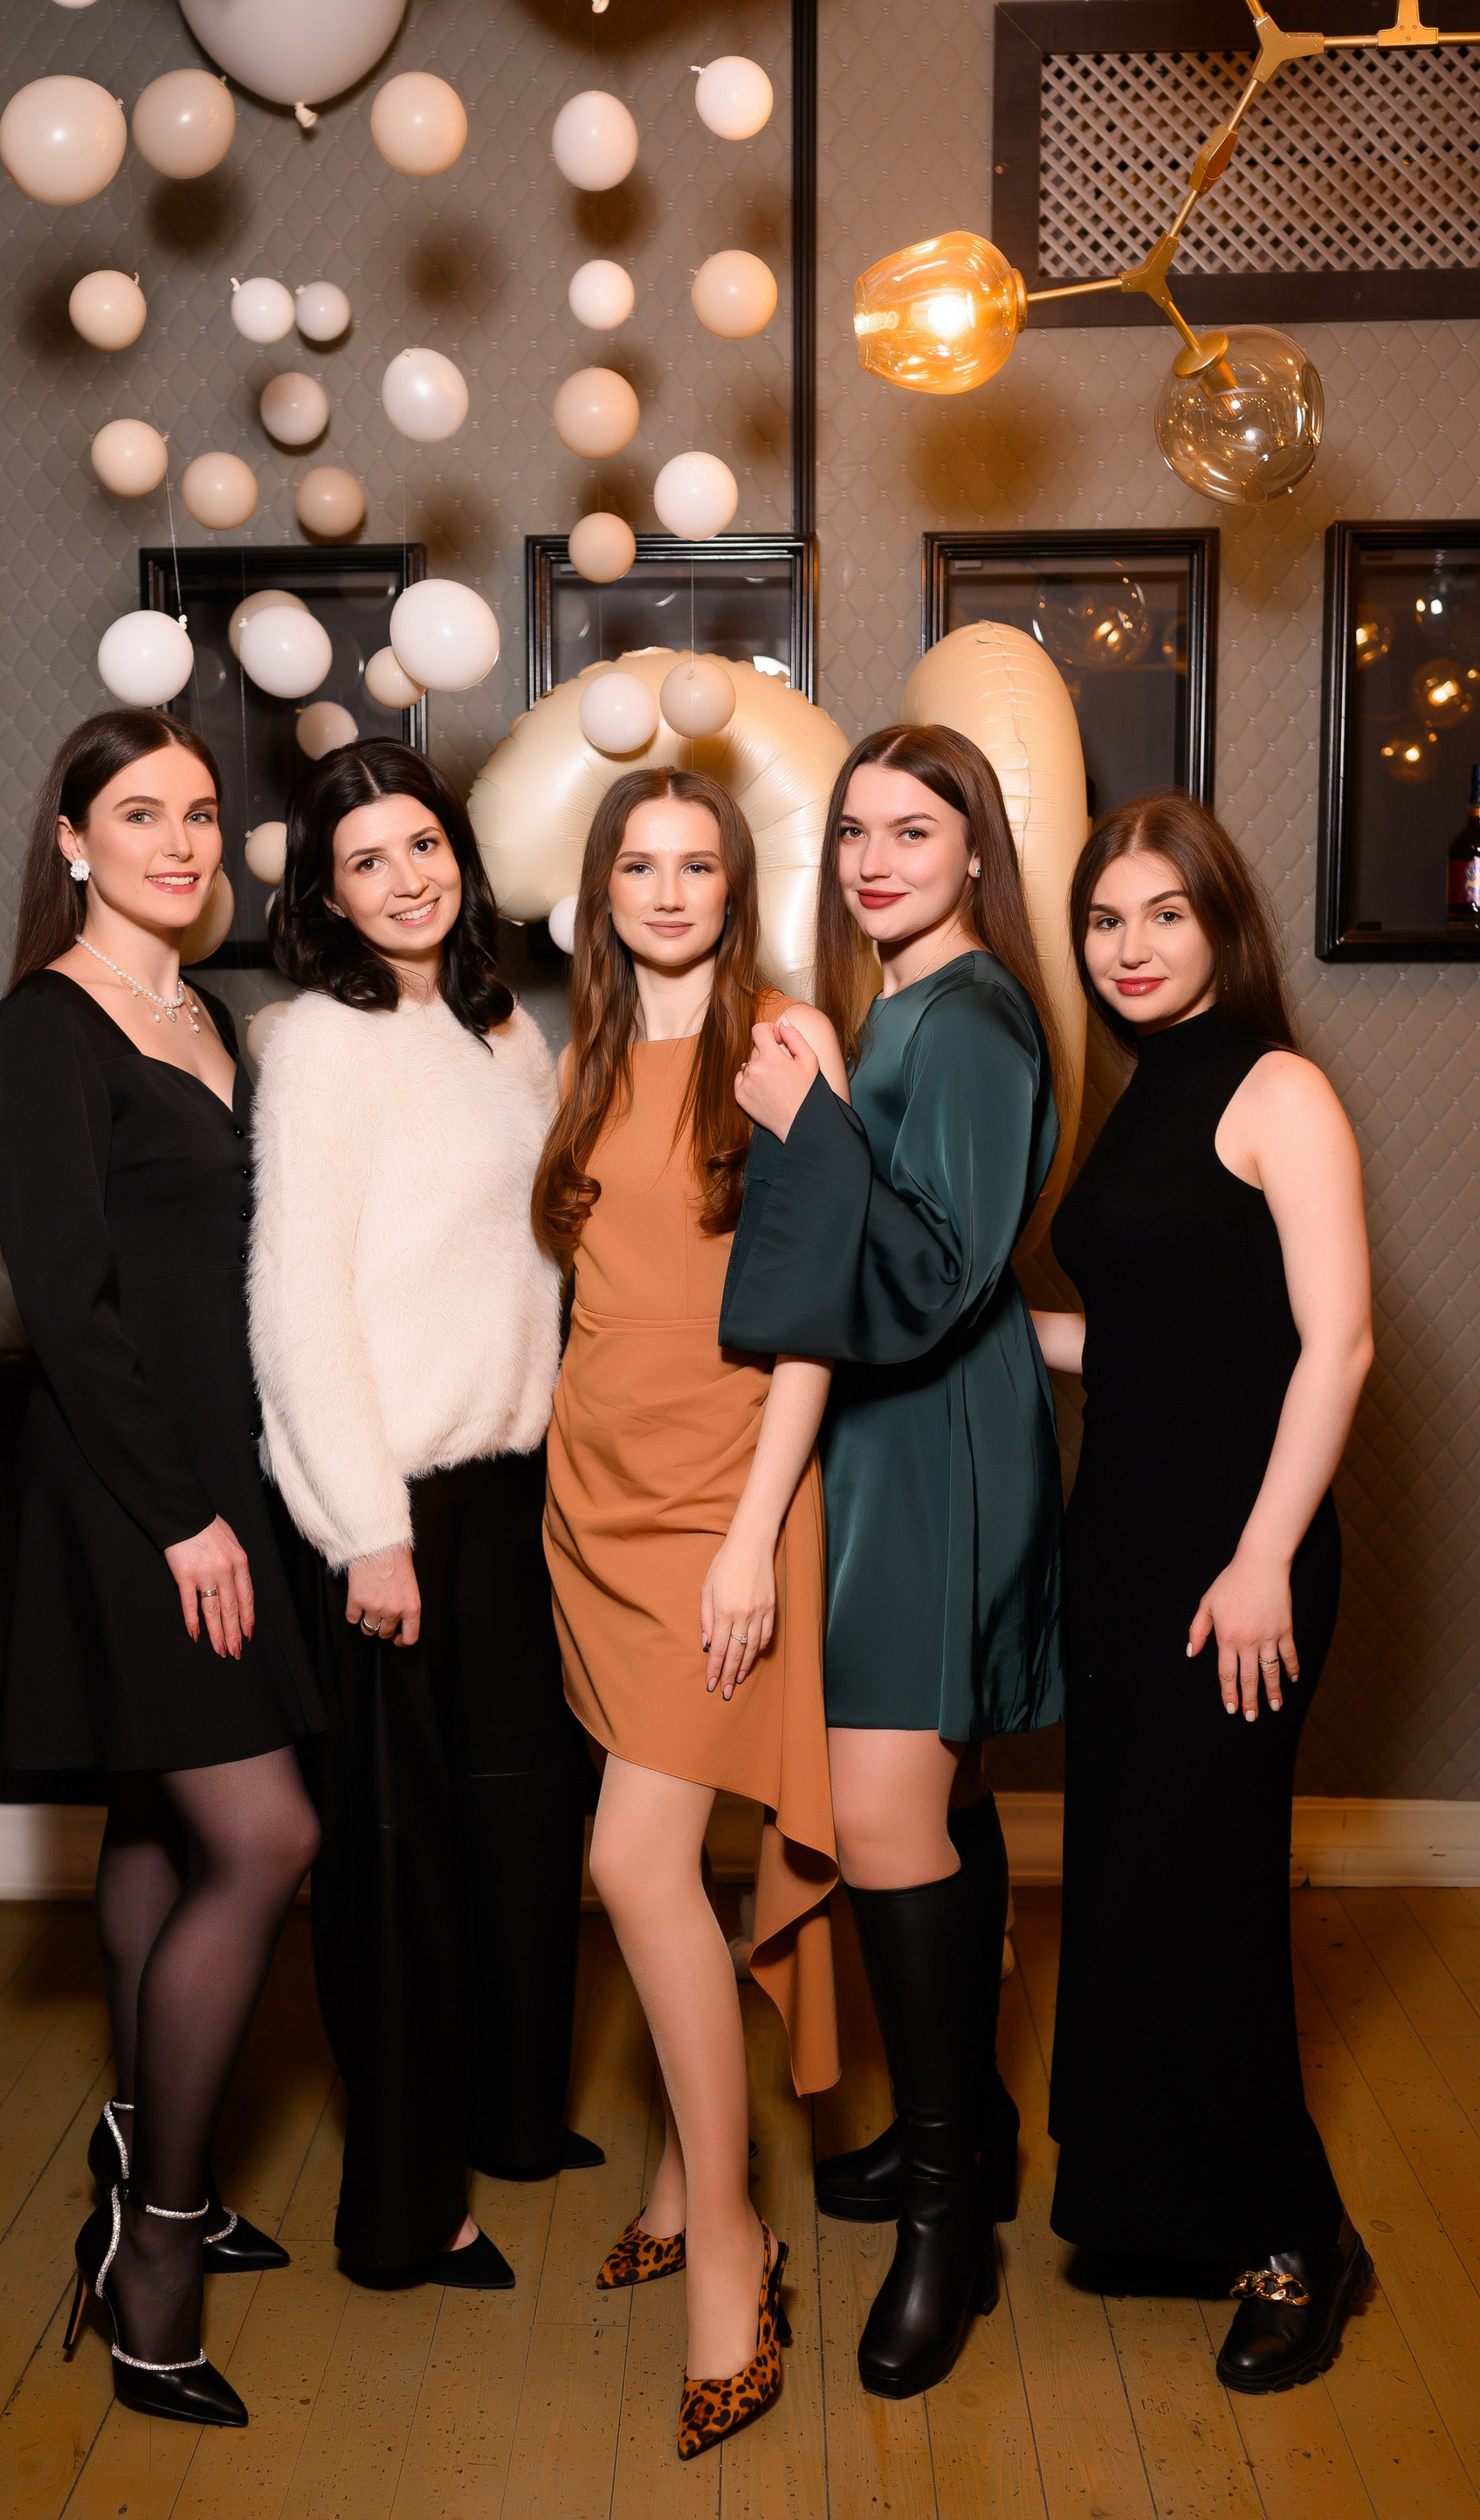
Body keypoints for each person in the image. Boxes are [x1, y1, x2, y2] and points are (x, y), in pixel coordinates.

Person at [0, 711, 325, 2430]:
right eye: (138, 813)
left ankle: (142, 2153)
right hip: (137, 1496)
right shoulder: (38, 1032)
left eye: (198, 812)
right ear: (72, 839)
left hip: (224, 1479)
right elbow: (67, 1303)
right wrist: (183, 1514)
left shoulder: (208, 1016)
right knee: (267, 1835)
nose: (180, 842)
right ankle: (156, 2260)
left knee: (160, 1825)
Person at [720, 723, 1066, 2400]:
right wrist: (830, 1096)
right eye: (855, 830)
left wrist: (814, 1117)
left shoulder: (974, 1016)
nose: (873, 860)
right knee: (940, 1793)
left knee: (879, 1816)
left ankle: (945, 2229)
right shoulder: (907, 1005)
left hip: (937, 1441)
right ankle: (972, 2144)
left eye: (912, 831)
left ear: (977, 847)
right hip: (897, 1436)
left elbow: (934, 1273)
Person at [1033, 793, 1374, 2392]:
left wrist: (1260, 1558)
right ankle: (1170, 2208)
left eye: (1164, 913)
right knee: (1130, 1886)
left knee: (1213, 1897)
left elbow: (1338, 1344)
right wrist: (978, 1324)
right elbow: (1151, 1341)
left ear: (1222, 924)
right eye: (1106, 921)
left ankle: (1303, 2238)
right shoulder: (1142, 1092)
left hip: (1241, 1560)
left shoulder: (1278, 1087)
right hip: (1125, 1547)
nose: (1131, 946)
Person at [249, 738, 596, 2296]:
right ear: (328, 894)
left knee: (525, 1812)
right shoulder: (321, 1045)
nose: (405, 879)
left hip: (518, 1481)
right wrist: (363, 1526)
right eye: (367, 860)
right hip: (396, 1501)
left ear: (461, 852)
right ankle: (404, 2212)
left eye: (424, 845)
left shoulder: (503, 1026)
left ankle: (512, 2116)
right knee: (398, 1857)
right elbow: (297, 1299)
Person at [537, 768, 839, 2461]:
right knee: (659, 1866)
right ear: (604, 888)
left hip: (725, 1499)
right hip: (594, 1495)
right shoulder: (579, 1050)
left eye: (697, 864)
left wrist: (749, 1541)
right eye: (639, 864)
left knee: (635, 1863)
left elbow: (815, 1318)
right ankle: (677, 2173)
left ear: (736, 885)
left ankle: (734, 2246)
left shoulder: (787, 1041)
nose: (668, 890)